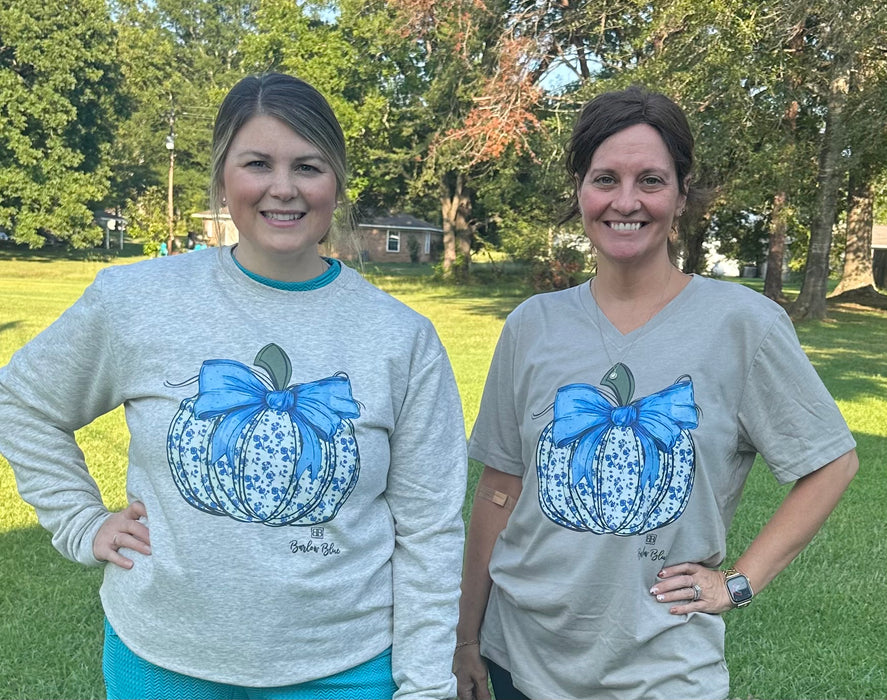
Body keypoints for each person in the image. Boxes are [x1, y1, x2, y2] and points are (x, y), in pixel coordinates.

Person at [0, 72, 467, 699]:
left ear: (336, 181)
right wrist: (81, 522)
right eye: (257, 163)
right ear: (223, 176)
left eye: (308, 165)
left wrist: (426, 685)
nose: (283, 188)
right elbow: (22, 401)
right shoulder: (136, 301)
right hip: (162, 658)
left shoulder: (402, 339)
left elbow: (431, 530)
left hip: (346, 666)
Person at [453, 86, 858, 700]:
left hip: (663, 669)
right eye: (604, 178)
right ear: (580, 190)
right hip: (519, 658)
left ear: (681, 193)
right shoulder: (532, 325)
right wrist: (465, 637)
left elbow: (832, 462)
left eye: (650, 180)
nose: (626, 201)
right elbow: (499, 489)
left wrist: (738, 582)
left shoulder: (742, 325)